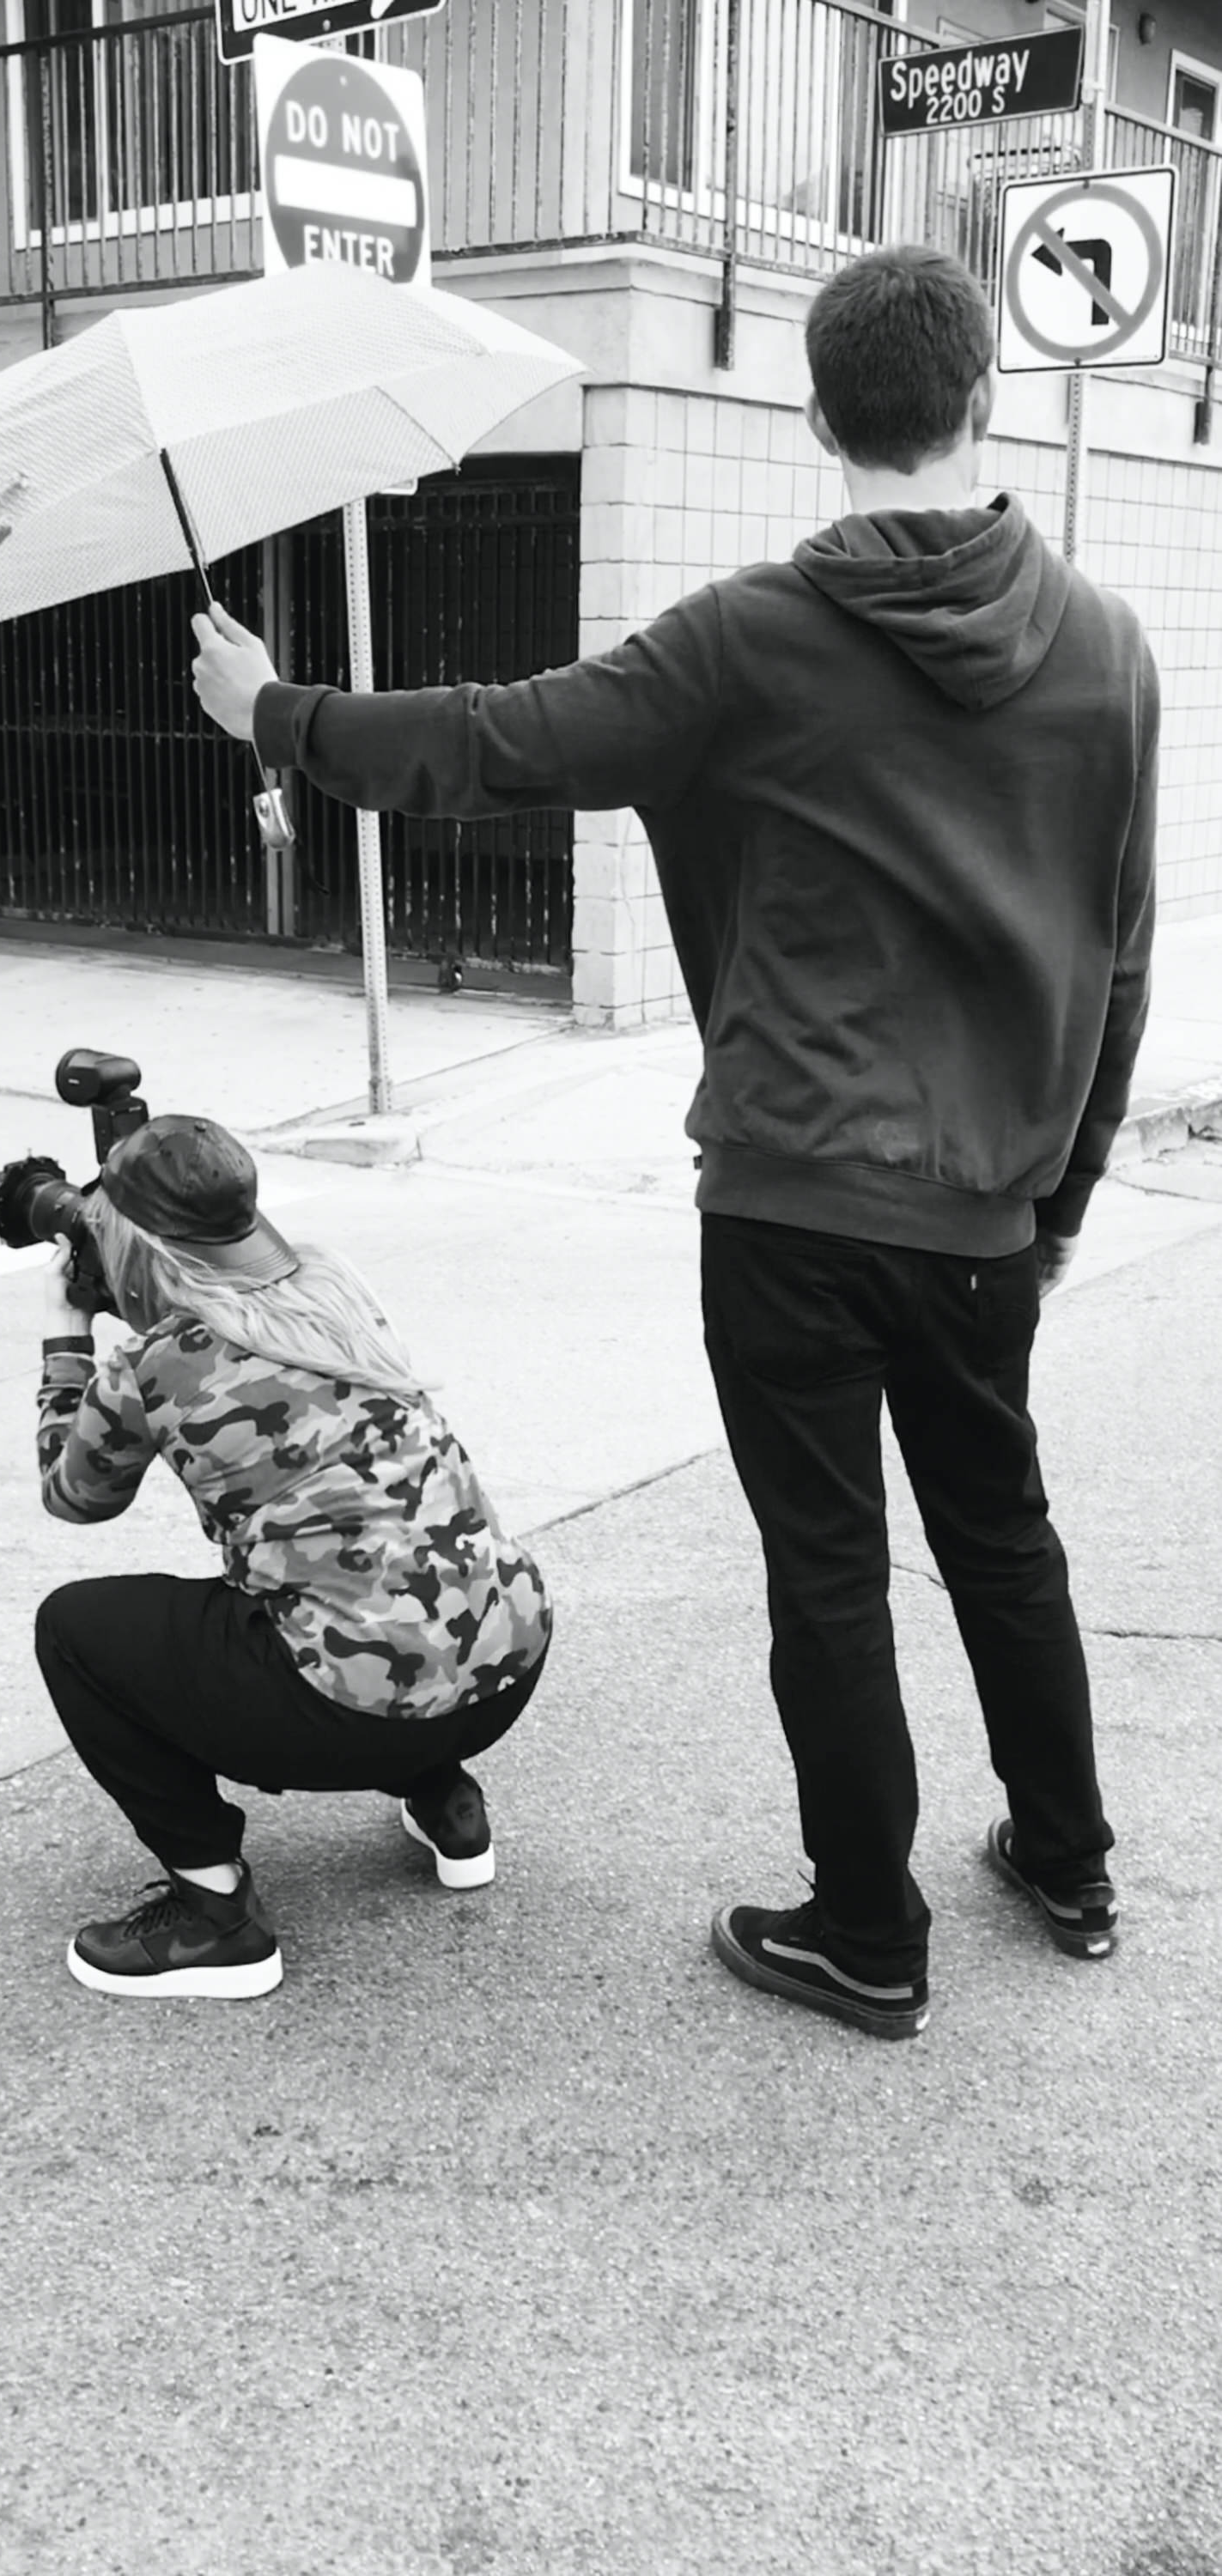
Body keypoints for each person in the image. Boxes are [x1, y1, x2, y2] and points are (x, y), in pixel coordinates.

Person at [191, 244, 1156, 2042]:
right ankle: (1070, 1860)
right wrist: (1064, 1198)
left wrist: (277, 716)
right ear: (984, 399)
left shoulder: (746, 643)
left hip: (791, 1205)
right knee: (1004, 1533)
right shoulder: (1107, 651)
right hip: (982, 1218)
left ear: (817, 418)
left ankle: (868, 1936)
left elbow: (495, 744)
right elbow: (1122, 957)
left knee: (829, 1573)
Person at [33, 1113, 551, 1998]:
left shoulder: (151, 1365)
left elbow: (73, 1495)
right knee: (370, 1568)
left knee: (74, 1629)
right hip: (506, 1666)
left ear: (130, 1251)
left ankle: (216, 1918)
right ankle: (447, 1801)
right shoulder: (332, 1289)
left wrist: (66, 1336)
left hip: (353, 1713)